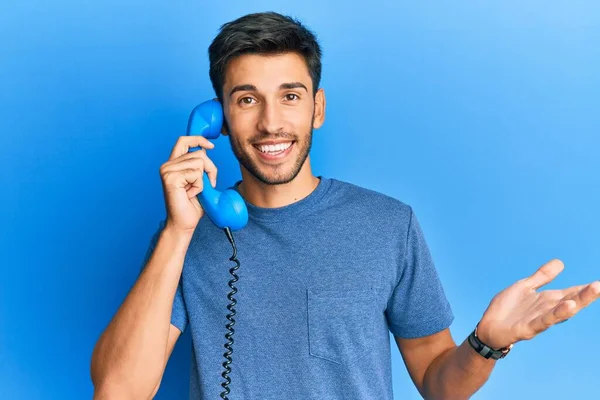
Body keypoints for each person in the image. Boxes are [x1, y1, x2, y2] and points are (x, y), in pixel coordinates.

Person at [90, 11, 600, 400]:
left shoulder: (388, 223)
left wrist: (487, 341)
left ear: (318, 108)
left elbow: (438, 382)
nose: (270, 122)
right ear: (218, 117)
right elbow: (118, 390)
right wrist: (178, 233)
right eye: (247, 99)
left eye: (290, 96)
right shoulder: (184, 235)